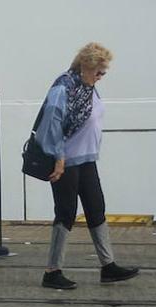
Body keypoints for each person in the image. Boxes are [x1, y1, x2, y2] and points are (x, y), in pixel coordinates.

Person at [35, 43, 139, 290]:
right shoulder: (64, 87)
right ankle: (52, 271)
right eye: (98, 72)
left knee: (96, 209)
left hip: (87, 159)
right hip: (66, 161)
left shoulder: (88, 87)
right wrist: (58, 156)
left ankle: (108, 266)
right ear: (86, 66)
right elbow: (51, 123)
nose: (100, 77)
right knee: (66, 213)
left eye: (104, 73)